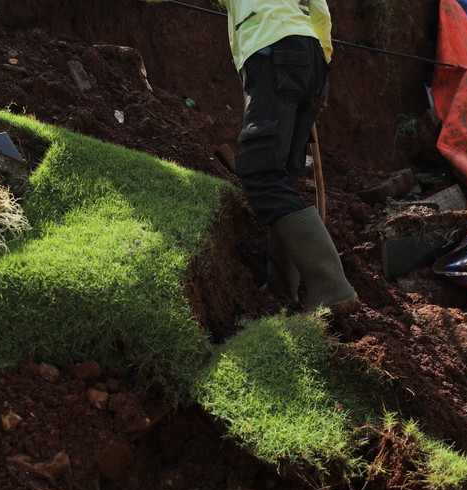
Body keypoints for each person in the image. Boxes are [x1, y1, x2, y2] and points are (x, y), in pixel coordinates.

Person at [143, 0, 359, 315]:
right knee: (281, 177)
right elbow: (321, 11)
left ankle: (330, 286)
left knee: (260, 173)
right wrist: (319, 67)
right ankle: (281, 289)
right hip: (310, 58)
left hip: (273, 53)